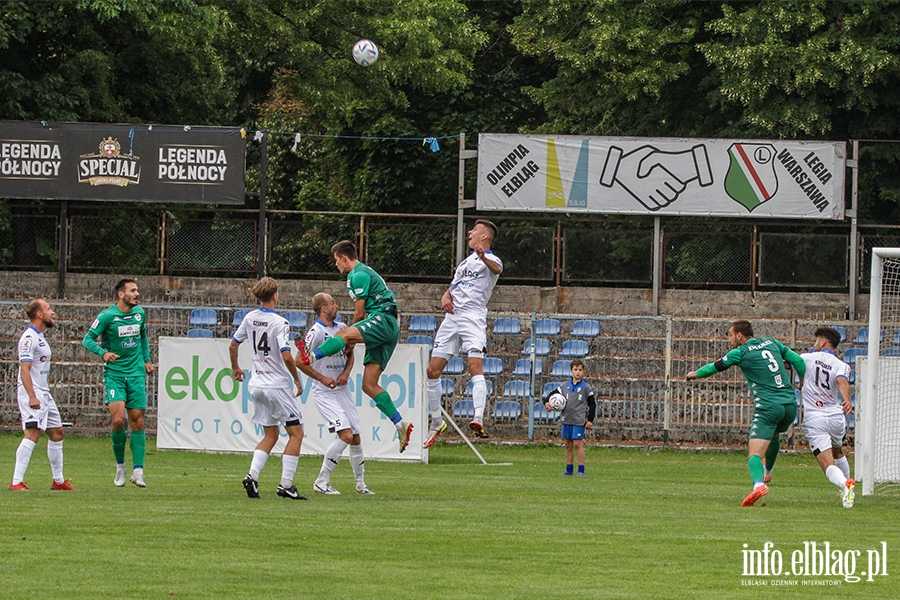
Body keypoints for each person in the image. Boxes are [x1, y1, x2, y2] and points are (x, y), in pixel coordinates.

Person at [296, 240, 414, 453]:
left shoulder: (357, 274)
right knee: (368, 385)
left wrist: (349, 338)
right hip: (385, 328)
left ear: (343, 258)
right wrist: (351, 340)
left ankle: (312, 357)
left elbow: (359, 314)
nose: (336, 266)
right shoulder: (363, 273)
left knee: (342, 333)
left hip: (382, 320)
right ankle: (400, 424)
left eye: (336, 261)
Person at [686, 320, 806, 507]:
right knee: (774, 434)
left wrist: (695, 374)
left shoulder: (740, 352)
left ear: (739, 336)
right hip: (790, 406)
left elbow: (715, 367)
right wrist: (802, 381)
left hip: (768, 407)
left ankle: (758, 485)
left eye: (730, 335)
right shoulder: (772, 342)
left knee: (754, 453)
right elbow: (798, 360)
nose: (729, 339)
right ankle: (768, 471)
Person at [423, 219, 502, 446]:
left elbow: (497, 269)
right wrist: (445, 296)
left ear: (484, 237)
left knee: (475, 367)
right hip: (452, 318)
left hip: (472, 317)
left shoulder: (492, 260)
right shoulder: (465, 262)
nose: (470, 232)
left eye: (475, 230)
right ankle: (437, 421)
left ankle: (478, 418)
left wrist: (484, 256)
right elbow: (454, 286)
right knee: (432, 370)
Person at [230, 277, 307, 500]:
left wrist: (235, 368)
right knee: (296, 433)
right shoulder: (280, 323)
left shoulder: (250, 317)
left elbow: (234, 344)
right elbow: (286, 354)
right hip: (276, 386)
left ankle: (252, 476)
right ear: (275, 295)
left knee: (270, 434)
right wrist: (297, 379)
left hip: (257, 385)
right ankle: (286, 485)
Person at [295, 292, 373, 495]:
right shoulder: (316, 332)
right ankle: (321, 481)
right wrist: (322, 378)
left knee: (355, 437)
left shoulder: (342, 329)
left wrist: (346, 372)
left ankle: (360, 484)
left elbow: (350, 354)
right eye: (332, 303)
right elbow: (299, 361)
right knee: (345, 435)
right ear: (323, 309)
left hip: (342, 389)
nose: (336, 305)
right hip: (325, 392)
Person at [82, 279, 153, 487]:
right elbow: (87, 339)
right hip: (114, 375)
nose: (137, 294)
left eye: (137, 290)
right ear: (121, 294)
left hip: (136, 374)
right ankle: (120, 467)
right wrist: (103, 353)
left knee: (138, 420)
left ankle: (138, 471)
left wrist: (147, 359)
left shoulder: (140, 314)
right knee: (119, 420)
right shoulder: (107, 316)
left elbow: (143, 337)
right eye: (133, 291)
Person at [9, 299, 75, 491]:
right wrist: (31, 396)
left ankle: (58, 481)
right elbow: (24, 369)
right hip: (33, 392)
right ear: (39, 314)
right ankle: (15, 482)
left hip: (43, 391)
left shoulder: (40, 337)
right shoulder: (29, 338)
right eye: (48, 309)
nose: (52, 313)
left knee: (57, 432)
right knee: (32, 434)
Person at [792, 327, 855, 507]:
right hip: (836, 417)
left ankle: (845, 484)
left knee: (828, 464)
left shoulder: (806, 358)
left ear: (822, 342)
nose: (814, 344)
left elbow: (788, 363)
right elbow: (842, 381)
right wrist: (847, 400)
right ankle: (849, 488)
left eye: (816, 340)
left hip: (815, 419)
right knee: (838, 451)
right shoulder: (841, 365)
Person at [543, 358, 596, 476]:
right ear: (571, 371)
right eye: (575, 369)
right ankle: (569, 469)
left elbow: (592, 404)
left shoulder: (586, 387)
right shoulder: (564, 386)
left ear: (583, 372)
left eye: (580, 370)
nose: (578, 372)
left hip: (578, 420)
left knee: (578, 444)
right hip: (566, 419)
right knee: (567, 444)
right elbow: (550, 396)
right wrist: (546, 403)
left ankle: (581, 470)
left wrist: (590, 419)